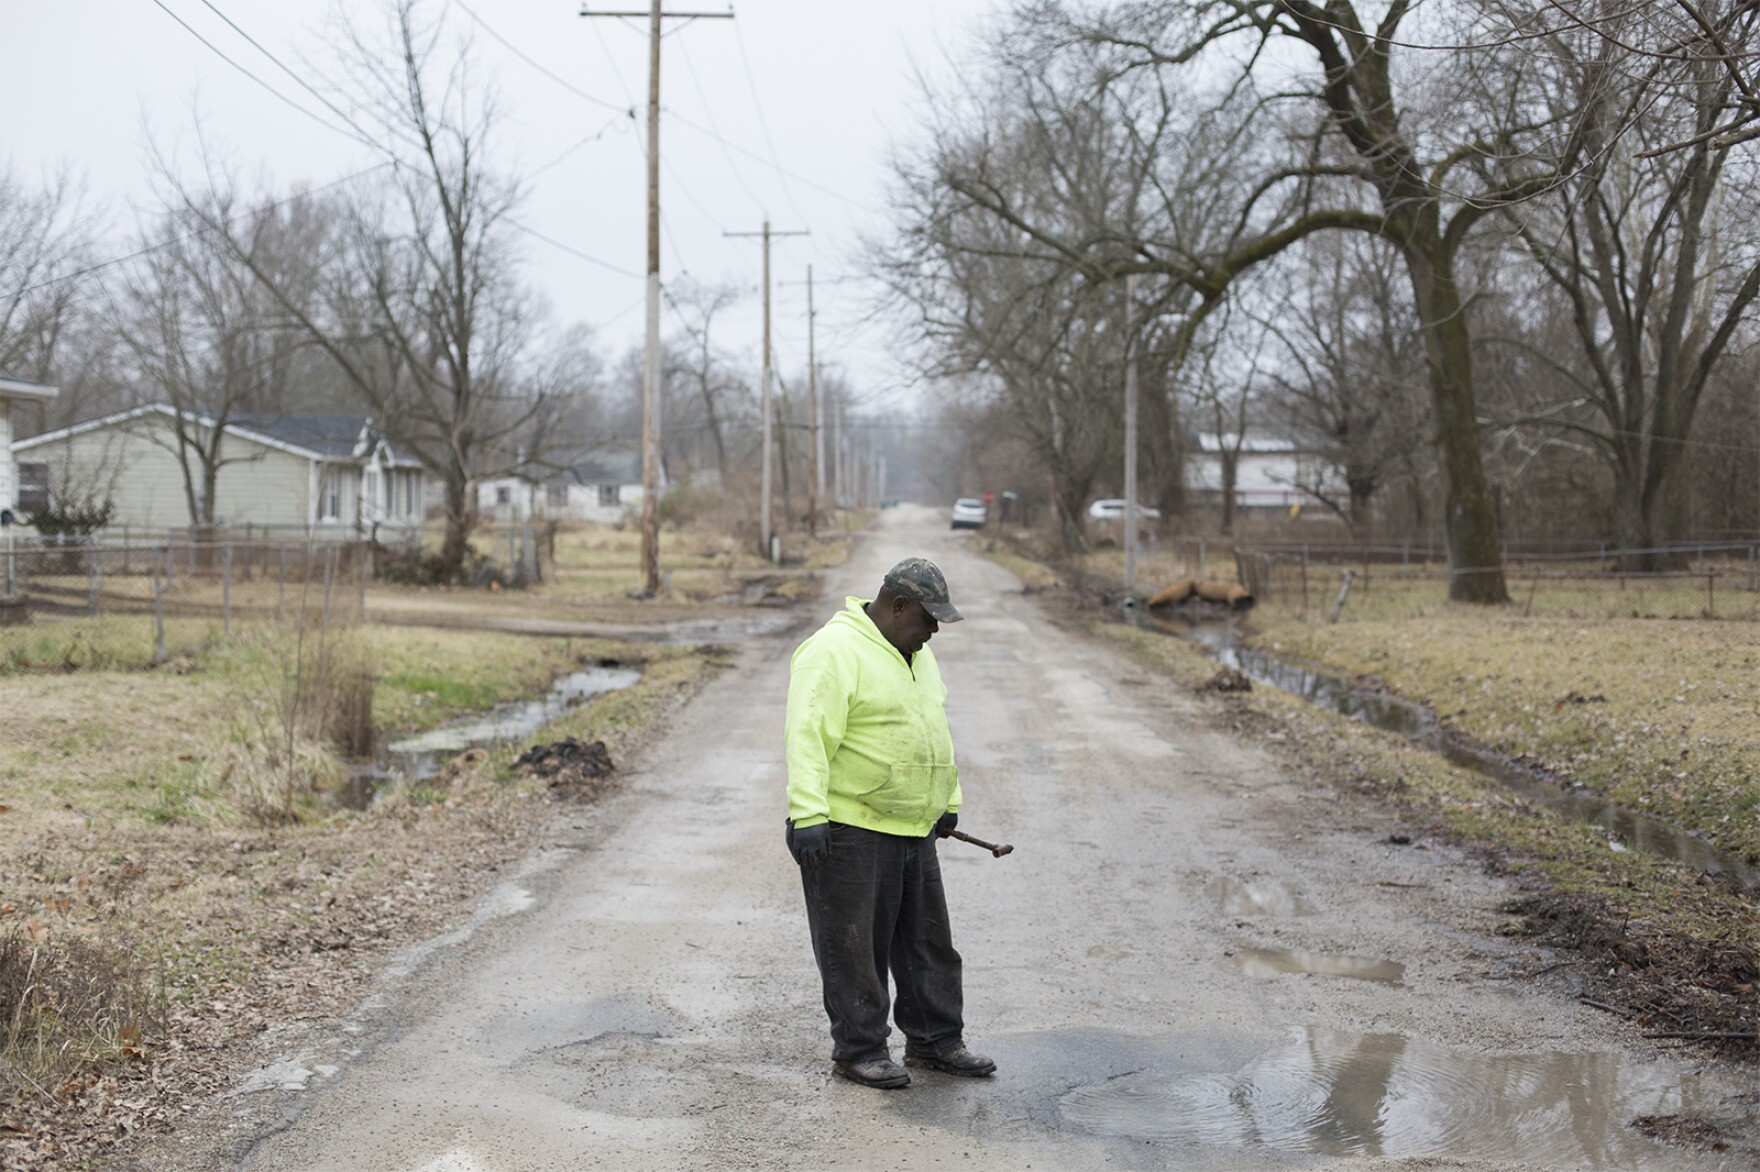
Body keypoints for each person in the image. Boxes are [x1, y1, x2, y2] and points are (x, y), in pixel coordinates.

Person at [784, 556, 995, 1089]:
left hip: (912, 826)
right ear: (898, 606)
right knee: (854, 945)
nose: (934, 631)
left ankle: (935, 1041)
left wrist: (948, 798)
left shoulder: (916, 655)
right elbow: (807, 735)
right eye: (929, 618)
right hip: (849, 827)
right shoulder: (833, 650)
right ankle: (859, 1049)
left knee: (929, 944)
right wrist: (808, 814)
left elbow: (935, 730)